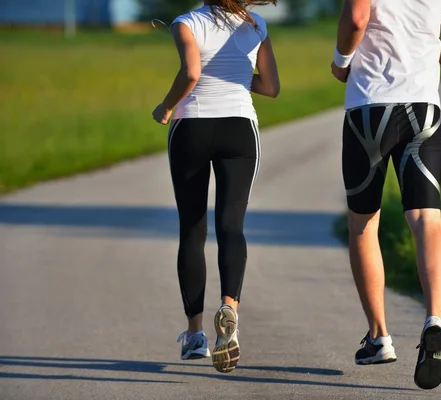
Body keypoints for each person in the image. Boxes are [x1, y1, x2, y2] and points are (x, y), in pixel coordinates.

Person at [331, 0, 441, 390]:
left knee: (363, 225)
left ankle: (379, 337)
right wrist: (424, 53)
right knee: (426, 218)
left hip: (368, 108)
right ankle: (435, 321)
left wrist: (342, 61)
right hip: (422, 109)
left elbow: (358, 16)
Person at [152, 0, 280, 374]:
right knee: (231, 225)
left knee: (192, 228)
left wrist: (165, 106)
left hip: (191, 127)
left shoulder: (186, 23)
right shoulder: (256, 24)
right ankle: (230, 309)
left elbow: (191, 73)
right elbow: (270, 87)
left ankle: (195, 336)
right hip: (239, 129)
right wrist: (237, 76)